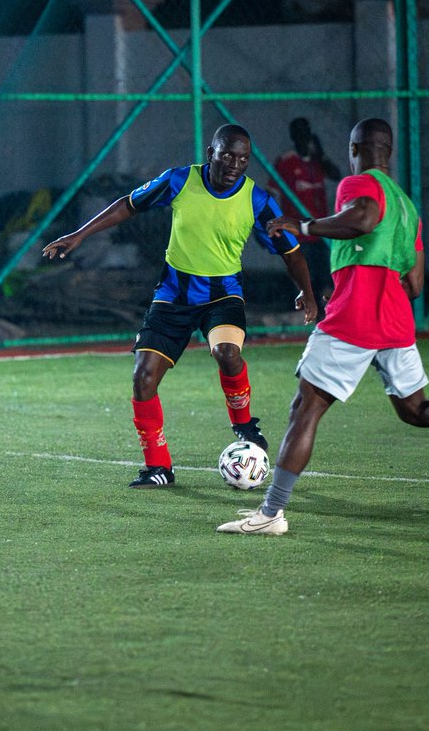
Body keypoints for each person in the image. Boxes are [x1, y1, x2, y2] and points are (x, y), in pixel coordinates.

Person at [217, 118, 429, 536]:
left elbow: (364, 218)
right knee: (414, 409)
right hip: (395, 320)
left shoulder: (357, 184)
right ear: (388, 150)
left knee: (306, 408)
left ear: (354, 148)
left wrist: (304, 226)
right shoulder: (408, 207)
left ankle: (270, 513)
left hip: (355, 315)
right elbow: (415, 283)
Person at [42, 123, 317, 488]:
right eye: (227, 155)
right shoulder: (179, 180)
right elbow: (128, 205)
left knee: (227, 353)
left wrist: (307, 292)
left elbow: (291, 252)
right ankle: (159, 467)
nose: (235, 163)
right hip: (173, 294)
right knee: (143, 378)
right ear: (211, 154)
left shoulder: (258, 200)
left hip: (223, 295)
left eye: (243, 158)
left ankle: (244, 424)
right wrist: (78, 235)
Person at [269, 117, 341, 315]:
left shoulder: (317, 160)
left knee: (327, 279)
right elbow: (272, 192)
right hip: (298, 233)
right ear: (292, 136)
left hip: (319, 231)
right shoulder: (287, 161)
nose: (303, 136)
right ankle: (306, 319)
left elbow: (336, 175)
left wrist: (322, 154)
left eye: (306, 131)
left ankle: (328, 317)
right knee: (305, 281)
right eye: (298, 132)